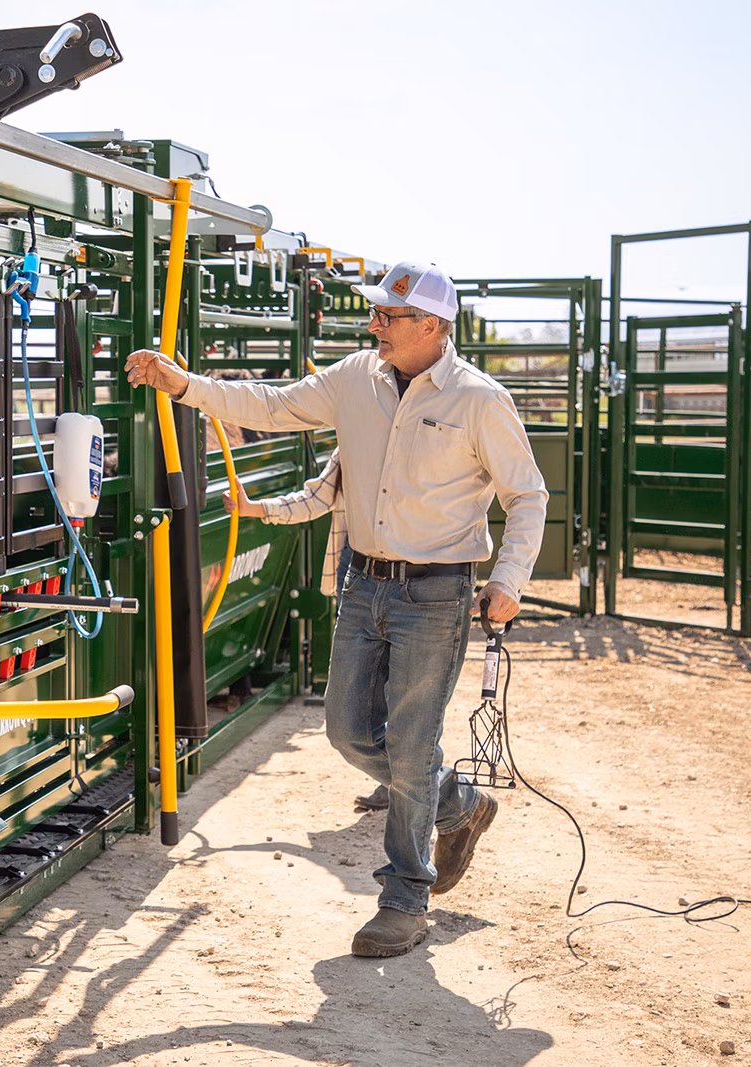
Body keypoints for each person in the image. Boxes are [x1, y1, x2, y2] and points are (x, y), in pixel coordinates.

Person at [127, 261, 547, 957]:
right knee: (350, 734)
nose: (374, 323)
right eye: (377, 312)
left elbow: (527, 496)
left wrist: (510, 578)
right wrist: (185, 386)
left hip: (438, 593)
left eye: (389, 315)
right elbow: (270, 405)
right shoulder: (356, 377)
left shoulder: (480, 399)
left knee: (411, 741)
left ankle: (405, 897)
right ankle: (458, 802)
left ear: (432, 328)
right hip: (364, 584)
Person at [224, 451, 387, 812]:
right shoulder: (355, 430)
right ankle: (411, 782)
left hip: (419, 574)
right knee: (354, 703)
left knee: (406, 689)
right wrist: (255, 509)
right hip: (359, 566)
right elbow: (317, 497)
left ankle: (414, 790)